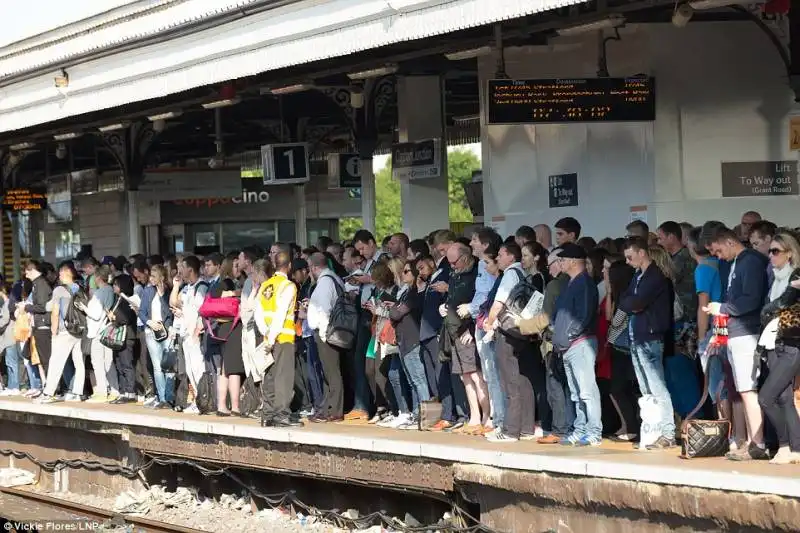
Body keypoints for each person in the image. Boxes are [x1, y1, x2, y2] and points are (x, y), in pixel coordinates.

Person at [706, 226, 769, 461]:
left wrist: (722, 308)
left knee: (747, 389)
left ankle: (758, 443)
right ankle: (753, 442)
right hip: (735, 332)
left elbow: (751, 299)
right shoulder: (737, 262)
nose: (718, 256)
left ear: (729, 242)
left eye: (718, 250)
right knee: (743, 390)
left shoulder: (750, 261)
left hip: (746, 332)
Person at [619, 237, 677, 450]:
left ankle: (668, 432)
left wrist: (630, 303)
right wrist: (630, 303)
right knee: (646, 389)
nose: (628, 261)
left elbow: (635, 302)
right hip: (637, 336)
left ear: (642, 252)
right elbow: (625, 300)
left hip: (650, 337)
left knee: (657, 387)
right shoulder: (638, 276)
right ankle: (653, 429)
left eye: (630, 256)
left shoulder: (655, 277)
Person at [551, 244, 601, 446]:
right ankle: (580, 429)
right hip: (568, 345)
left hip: (580, 344)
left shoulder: (585, 284)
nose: (559, 263)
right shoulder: (570, 283)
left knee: (587, 391)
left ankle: (594, 431)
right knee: (576, 392)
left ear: (572, 261)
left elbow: (585, 314)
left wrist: (569, 336)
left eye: (562, 260)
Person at [758, 232, 800, 464]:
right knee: (783, 398)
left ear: (790, 253)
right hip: (773, 343)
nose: (771, 255)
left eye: (776, 251)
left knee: (766, 397)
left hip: (792, 344)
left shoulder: (797, 275)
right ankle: (796, 449)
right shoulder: (775, 278)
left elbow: (782, 304)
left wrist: (766, 310)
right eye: (770, 251)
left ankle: (784, 445)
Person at [259, 251, 302, 428]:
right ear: (289, 266)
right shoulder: (289, 286)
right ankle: (281, 415)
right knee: (283, 377)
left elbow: (258, 313)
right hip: (282, 338)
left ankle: (267, 415)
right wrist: (273, 338)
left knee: (269, 376)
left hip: (267, 336)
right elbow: (281, 313)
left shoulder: (265, 285)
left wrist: (266, 335)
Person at [36, 262, 86, 404]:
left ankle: (48, 393)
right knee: (79, 363)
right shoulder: (80, 287)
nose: (58, 276)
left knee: (56, 362)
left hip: (65, 331)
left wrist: (54, 331)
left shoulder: (59, 290)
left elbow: (55, 312)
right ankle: (77, 393)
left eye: (60, 274)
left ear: (65, 274)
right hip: (79, 330)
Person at [307, 252, 347, 423]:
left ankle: (335, 410)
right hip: (331, 331)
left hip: (326, 332)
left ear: (315, 267)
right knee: (329, 373)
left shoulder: (325, 282)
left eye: (310, 269)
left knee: (332, 372)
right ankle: (327, 407)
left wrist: (323, 334)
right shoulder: (334, 279)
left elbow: (324, 310)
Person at [138, 265, 174, 408]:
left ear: (161, 277)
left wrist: (161, 295)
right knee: (157, 366)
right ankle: (162, 397)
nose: (151, 279)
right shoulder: (147, 291)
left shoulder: (167, 292)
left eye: (154, 276)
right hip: (151, 332)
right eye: (150, 276)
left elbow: (168, 312)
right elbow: (141, 312)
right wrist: (149, 322)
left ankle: (170, 397)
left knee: (169, 365)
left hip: (165, 331)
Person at [83, 266, 119, 402]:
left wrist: (84, 308)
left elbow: (96, 314)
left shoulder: (100, 293)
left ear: (98, 278)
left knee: (97, 362)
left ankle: (102, 391)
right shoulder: (110, 290)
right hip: (108, 329)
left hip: (98, 331)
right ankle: (114, 390)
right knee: (109, 362)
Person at [108, 275, 139, 404]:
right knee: (119, 364)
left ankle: (130, 392)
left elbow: (126, 318)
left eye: (116, 284)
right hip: (119, 336)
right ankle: (123, 391)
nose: (114, 287)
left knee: (127, 364)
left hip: (127, 336)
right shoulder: (118, 299)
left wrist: (113, 316)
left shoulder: (128, 299)